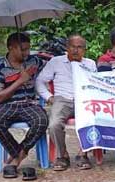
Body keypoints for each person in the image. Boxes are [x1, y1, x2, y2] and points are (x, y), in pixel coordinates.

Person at [0, 33, 48, 180]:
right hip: (6, 105)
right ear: (11, 48)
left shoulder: (34, 61)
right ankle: (19, 154)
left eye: (28, 49)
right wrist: (20, 81)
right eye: (23, 49)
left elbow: (52, 68)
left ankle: (15, 159)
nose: (27, 53)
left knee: (42, 121)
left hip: (29, 104)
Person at [35, 35, 97, 171]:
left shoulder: (90, 64)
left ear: (85, 50)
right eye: (72, 47)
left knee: (93, 120)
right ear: (67, 48)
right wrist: (49, 97)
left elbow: (96, 84)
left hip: (84, 99)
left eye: (79, 47)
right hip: (62, 99)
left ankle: (83, 154)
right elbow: (40, 81)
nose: (76, 50)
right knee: (54, 124)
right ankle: (62, 155)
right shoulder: (56, 62)